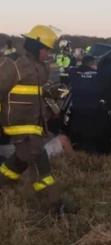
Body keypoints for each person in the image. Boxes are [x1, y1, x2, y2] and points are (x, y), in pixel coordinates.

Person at [0, 25, 64, 214]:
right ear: (36, 46)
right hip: (18, 125)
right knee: (39, 160)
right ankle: (55, 204)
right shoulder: (13, 63)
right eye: (46, 49)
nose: (48, 53)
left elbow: (35, 92)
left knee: (20, 160)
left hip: (35, 123)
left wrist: (51, 96)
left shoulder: (41, 67)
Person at [68, 55, 108, 152]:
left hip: (77, 108)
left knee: (77, 133)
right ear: (92, 64)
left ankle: (77, 149)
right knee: (90, 135)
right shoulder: (98, 74)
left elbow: (71, 71)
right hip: (92, 109)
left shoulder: (74, 72)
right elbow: (103, 89)